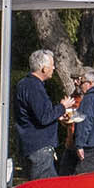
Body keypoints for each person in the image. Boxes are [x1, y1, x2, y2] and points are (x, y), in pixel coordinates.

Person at [13, 50, 64, 180]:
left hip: (29, 144)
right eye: (52, 65)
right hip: (39, 147)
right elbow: (44, 117)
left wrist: (57, 115)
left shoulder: (24, 84)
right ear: (44, 68)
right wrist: (63, 107)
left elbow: (37, 114)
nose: (54, 68)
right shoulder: (34, 86)